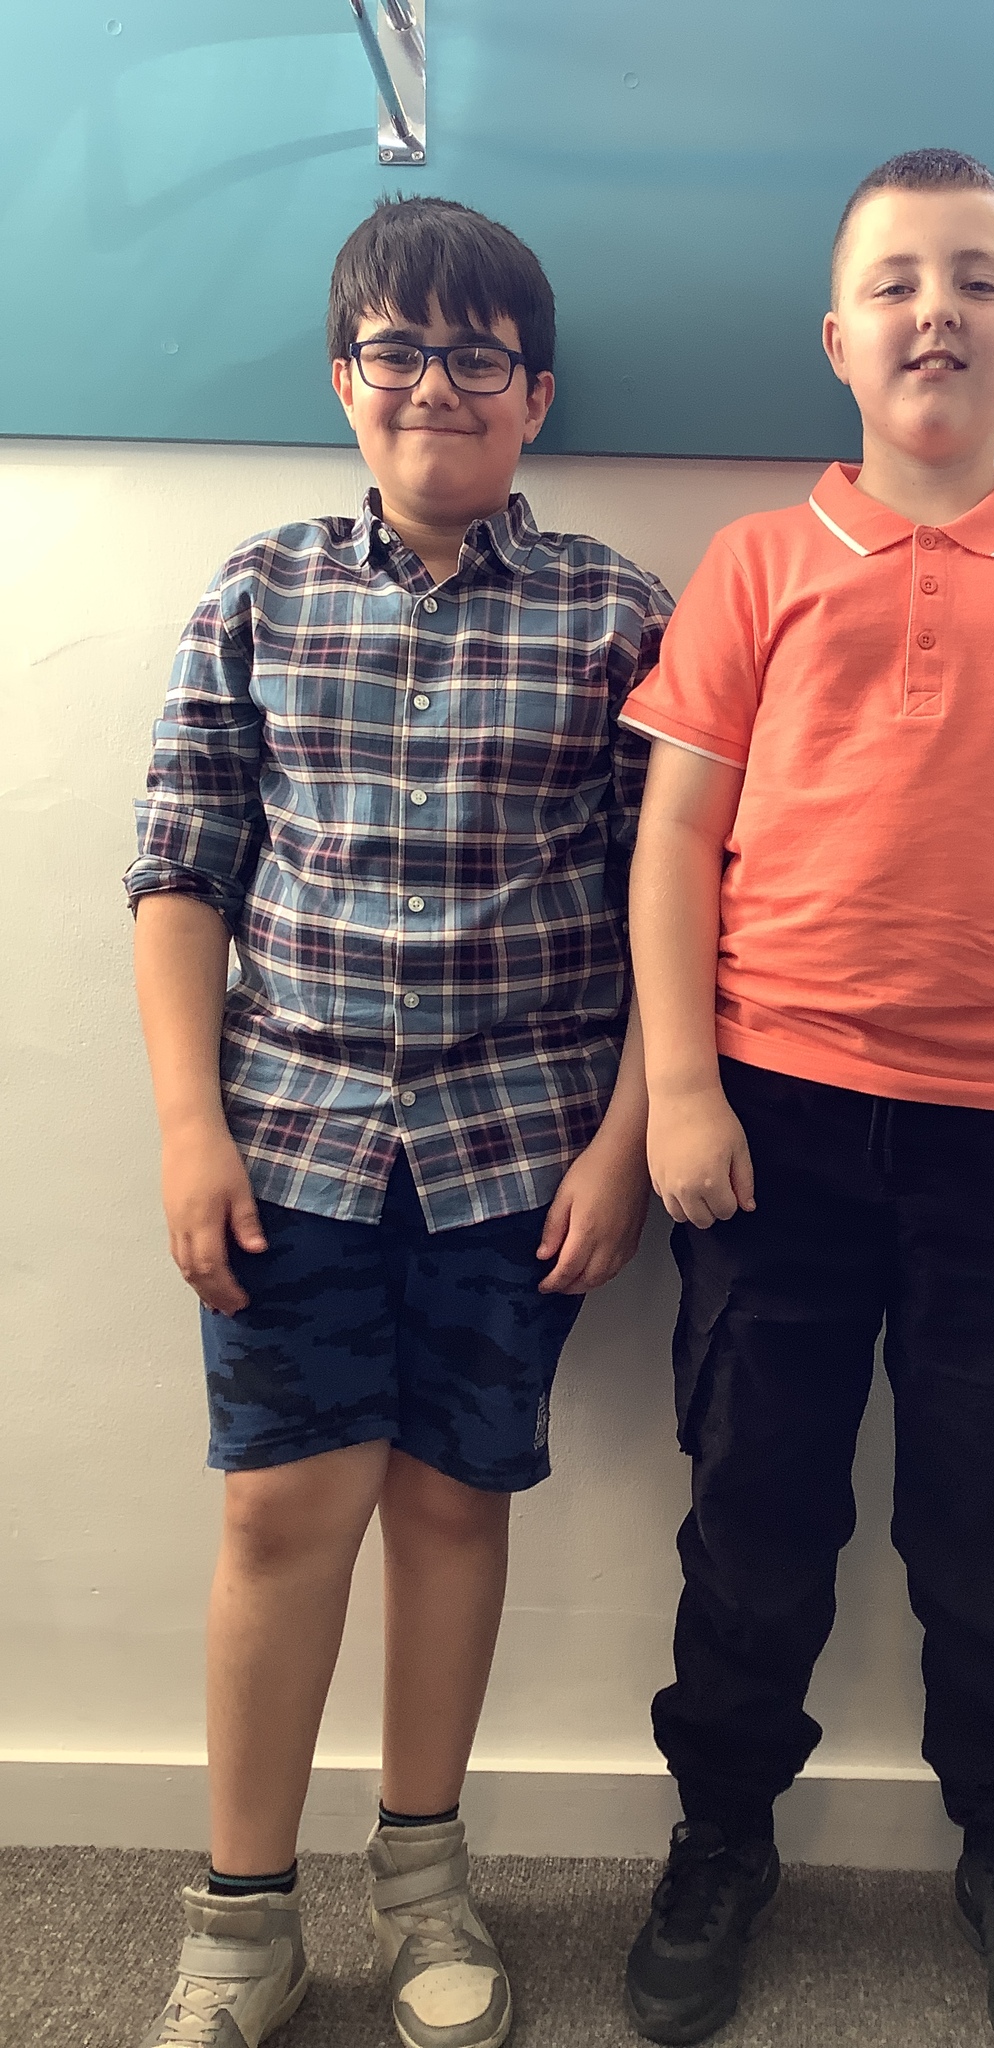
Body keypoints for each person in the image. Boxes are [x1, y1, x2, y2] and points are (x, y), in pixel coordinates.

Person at [618, 148, 994, 2048]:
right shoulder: (759, 563)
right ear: (836, 340)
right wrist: (680, 1088)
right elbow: (677, 835)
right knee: (753, 1510)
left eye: (975, 278)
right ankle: (721, 1837)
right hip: (771, 1124)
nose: (934, 308)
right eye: (894, 281)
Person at [127, 195, 669, 2048]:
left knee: (451, 1508)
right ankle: (243, 1920)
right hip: (287, 1142)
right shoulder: (258, 593)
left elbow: (673, 905)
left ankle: (427, 1879)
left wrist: (626, 1143)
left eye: (479, 357)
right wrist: (189, 1129)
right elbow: (181, 874)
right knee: (283, 1517)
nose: (438, 385)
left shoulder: (616, 614)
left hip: (523, 1154)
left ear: (537, 392)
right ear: (344, 379)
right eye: (399, 352)